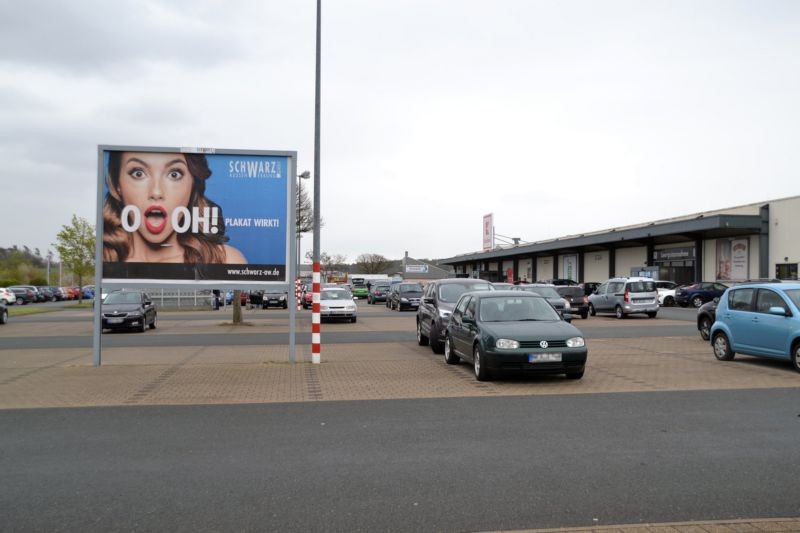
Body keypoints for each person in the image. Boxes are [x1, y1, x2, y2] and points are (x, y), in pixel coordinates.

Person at [103, 151, 246, 264]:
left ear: (193, 184)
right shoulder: (105, 260)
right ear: (117, 185)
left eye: (174, 174)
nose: (156, 192)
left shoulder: (225, 260)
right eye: (138, 173)